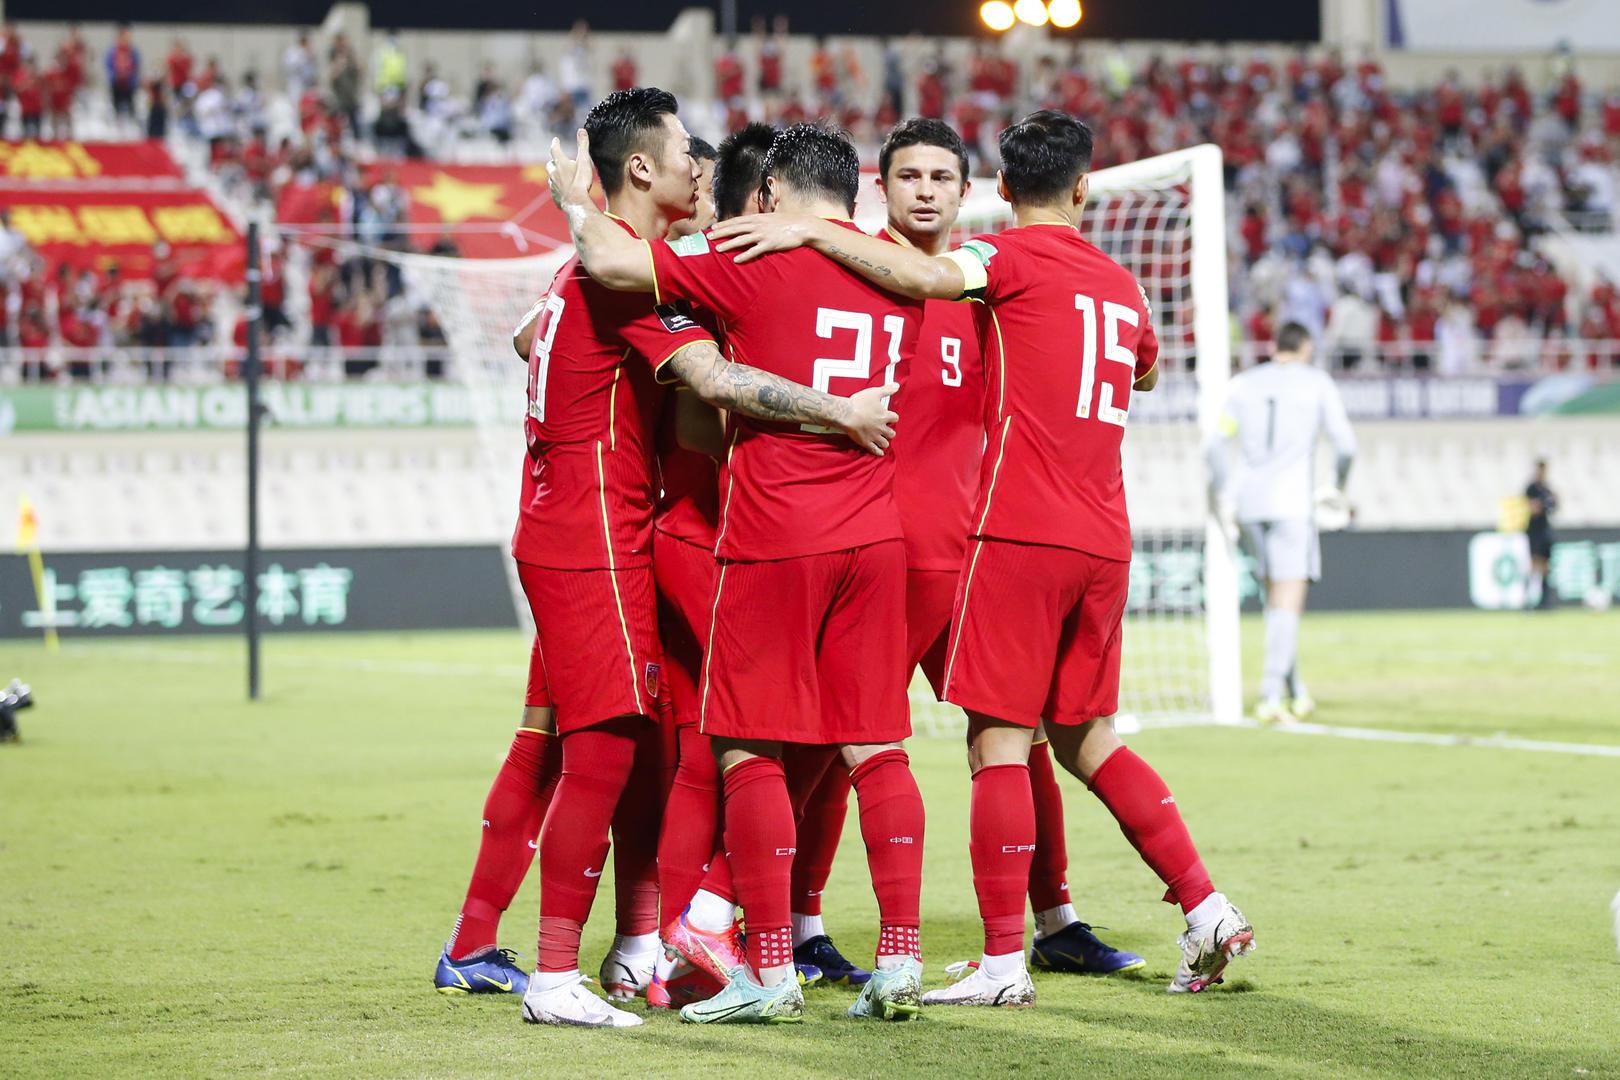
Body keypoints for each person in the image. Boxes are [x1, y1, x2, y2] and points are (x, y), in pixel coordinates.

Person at [711, 108, 1256, 1002]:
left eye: (941, 178)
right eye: (909, 176)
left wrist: (810, 224)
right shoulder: (1111, 286)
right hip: (979, 542)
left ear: (986, 191)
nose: (926, 191)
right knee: (1029, 737)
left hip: (996, 542)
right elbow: (1145, 367)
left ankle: (1023, 943)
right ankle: (1200, 906)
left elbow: (930, 277)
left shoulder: (982, 273)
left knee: (993, 743)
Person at [519, 89, 899, 1030]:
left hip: (604, 527)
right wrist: (841, 412)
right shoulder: (627, 275)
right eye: (684, 149)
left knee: (670, 741)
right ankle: (583, 961)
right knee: (632, 748)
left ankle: (649, 941)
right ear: (641, 167)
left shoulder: (601, 271)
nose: (699, 163)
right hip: (610, 536)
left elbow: (528, 336)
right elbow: (712, 386)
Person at [1205, 322, 1356, 722]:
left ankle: (1295, 690)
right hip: (1292, 506)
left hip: (1248, 505)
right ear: (1306, 348)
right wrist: (1335, 487)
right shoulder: (1317, 383)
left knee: (1275, 601)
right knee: (1287, 601)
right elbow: (1346, 447)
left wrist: (1225, 496)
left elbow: (1215, 445)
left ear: (1274, 347)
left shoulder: (1243, 384)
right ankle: (1270, 695)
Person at [1525, 458, 1557, 609]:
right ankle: (1528, 599)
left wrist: (1546, 504)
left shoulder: (1547, 488)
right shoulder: (1531, 488)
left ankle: (1544, 601)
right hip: (1534, 530)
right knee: (1534, 563)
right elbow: (1533, 508)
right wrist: (1544, 504)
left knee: (1545, 566)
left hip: (1545, 530)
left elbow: (1554, 506)